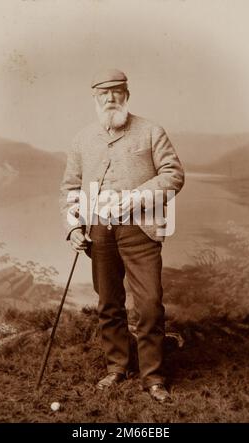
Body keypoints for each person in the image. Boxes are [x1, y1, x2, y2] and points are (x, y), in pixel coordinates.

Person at [60, 68, 185, 402]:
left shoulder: (151, 132)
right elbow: (71, 188)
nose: (110, 99)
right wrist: (74, 225)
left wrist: (135, 196)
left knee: (149, 305)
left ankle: (153, 377)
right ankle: (116, 367)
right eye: (104, 94)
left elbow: (173, 175)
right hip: (98, 231)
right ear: (95, 99)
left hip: (140, 230)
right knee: (109, 303)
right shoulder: (82, 139)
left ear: (126, 95)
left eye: (117, 93)